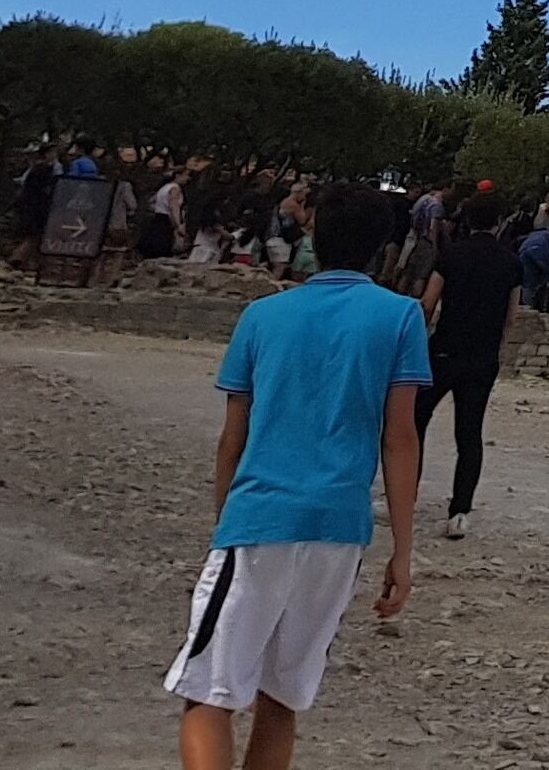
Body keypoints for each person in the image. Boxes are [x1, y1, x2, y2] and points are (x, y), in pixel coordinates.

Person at [165, 181, 424, 770]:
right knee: (283, 698)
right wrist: (403, 551)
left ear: (312, 232)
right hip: (338, 529)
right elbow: (400, 438)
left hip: (259, 518)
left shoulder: (262, 316)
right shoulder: (400, 317)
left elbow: (233, 437)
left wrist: (223, 518)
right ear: (383, 246)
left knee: (208, 693)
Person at [412, 198, 518, 541]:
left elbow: (428, 303)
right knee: (469, 433)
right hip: (482, 356)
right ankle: (459, 511)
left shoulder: (451, 255)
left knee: (415, 423)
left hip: (444, 350)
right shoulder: (511, 263)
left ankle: (405, 494)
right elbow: (511, 317)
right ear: (498, 223)